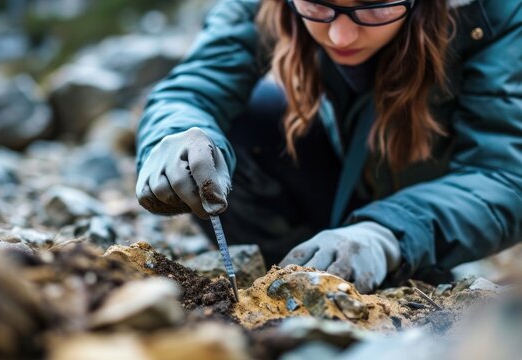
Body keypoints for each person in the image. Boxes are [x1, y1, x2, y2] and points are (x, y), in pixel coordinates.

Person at [134, 0, 522, 293]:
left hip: (427, 207)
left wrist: (388, 234)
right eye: (319, 5)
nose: (341, 36)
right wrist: (176, 138)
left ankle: (398, 270)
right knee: (245, 122)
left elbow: (506, 175)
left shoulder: (495, 13)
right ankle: (291, 277)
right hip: (337, 172)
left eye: (374, 6)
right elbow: (194, 89)